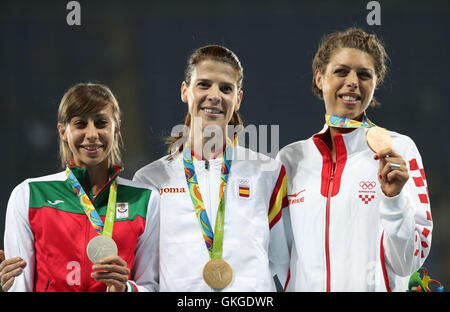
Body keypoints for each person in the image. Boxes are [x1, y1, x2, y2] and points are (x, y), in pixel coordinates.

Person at [277, 27, 433, 291]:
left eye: (364, 75)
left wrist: (394, 201)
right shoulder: (291, 159)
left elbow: (409, 262)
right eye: (341, 71)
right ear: (319, 78)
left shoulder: (399, 150)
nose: (353, 82)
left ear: (375, 84)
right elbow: (276, 256)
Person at [133, 45, 290, 291]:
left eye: (226, 88)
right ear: (185, 91)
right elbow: (146, 278)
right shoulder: (150, 180)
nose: (215, 95)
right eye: (204, 84)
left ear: (237, 99)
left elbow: (283, 265)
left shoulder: (268, 173)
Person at [0, 83, 160, 292]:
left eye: (101, 123)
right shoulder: (29, 195)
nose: (92, 134)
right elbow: (19, 286)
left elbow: (152, 286)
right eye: (80, 124)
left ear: (117, 128)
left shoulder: (145, 200)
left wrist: (126, 289)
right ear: (63, 131)